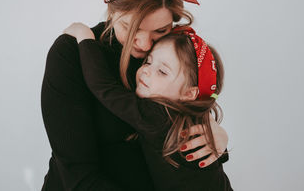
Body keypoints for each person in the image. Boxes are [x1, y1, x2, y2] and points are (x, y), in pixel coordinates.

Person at [41, 0, 229, 190]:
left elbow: (197, 100)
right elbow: (78, 177)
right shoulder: (71, 54)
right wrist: (84, 40)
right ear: (112, 10)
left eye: (160, 30)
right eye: (131, 29)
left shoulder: (170, 53)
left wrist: (215, 136)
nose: (144, 44)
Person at [65, 23, 233, 191]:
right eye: (148, 61)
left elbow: (104, 87)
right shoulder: (194, 118)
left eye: (162, 71)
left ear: (189, 94)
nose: (146, 71)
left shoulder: (159, 115)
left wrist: (84, 37)